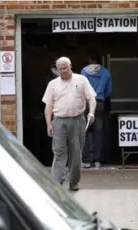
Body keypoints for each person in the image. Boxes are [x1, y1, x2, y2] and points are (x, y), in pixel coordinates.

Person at [42, 56, 96, 191]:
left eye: (65, 68)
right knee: (59, 152)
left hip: (78, 120)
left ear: (70, 66)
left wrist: (92, 112)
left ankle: (74, 181)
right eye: (60, 69)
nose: (63, 71)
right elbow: (48, 106)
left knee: (76, 153)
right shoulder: (52, 84)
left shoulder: (81, 80)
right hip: (59, 121)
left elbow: (91, 98)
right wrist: (49, 123)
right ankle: (56, 183)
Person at [81, 52, 112, 169]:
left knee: (85, 132)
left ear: (89, 59)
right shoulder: (106, 72)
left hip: (86, 103)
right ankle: (97, 160)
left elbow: (81, 88)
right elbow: (108, 92)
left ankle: (86, 160)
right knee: (99, 133)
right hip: (99, 103)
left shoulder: (84, 71)